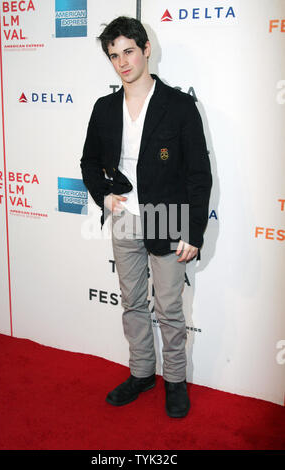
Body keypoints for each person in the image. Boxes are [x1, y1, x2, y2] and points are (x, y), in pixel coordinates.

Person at [80, 16, 212, 418]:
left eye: (128, 52)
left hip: (168, 217)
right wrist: (104, 197)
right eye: (113, 55)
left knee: (169, 307)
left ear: (145, 50)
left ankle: (174, 380)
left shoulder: (178, 105)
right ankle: (141, 374)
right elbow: (88, 162)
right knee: (133, 302)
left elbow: (198, 174)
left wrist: (193, 230)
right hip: (124, 219)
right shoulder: (104, 108)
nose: (122, 62)